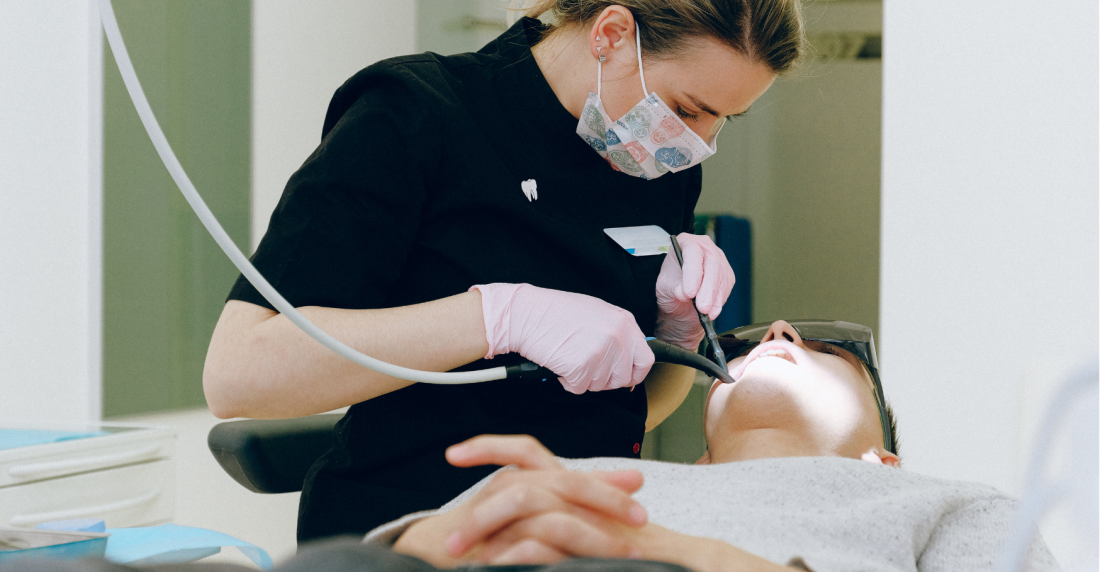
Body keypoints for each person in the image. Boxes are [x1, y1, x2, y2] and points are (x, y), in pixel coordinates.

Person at [203, 0, 804, 543]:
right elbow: (239, 374)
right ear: (612, 34)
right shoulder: (414, 113)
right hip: (407, 536)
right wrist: (496, 317)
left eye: (725, 120)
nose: (698, 145)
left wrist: (675, 337)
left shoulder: (654, 163)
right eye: (687, 110)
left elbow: (626, 414)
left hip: (571, 538)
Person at [361, 320, 1057, 572]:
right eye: (754, 342)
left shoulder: (949, 503)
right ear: (699, 463)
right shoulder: (587, 474)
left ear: (883, 460)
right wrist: (446, 535)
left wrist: (671, 554)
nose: (779, 330)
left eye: (824, 346)